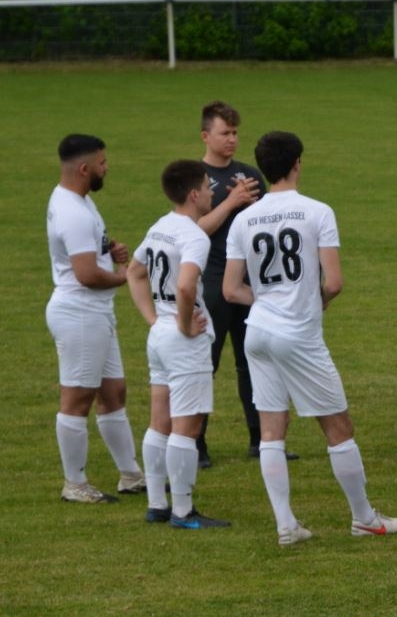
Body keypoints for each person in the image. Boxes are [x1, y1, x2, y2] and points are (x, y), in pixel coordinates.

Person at [223, 131, 397, 546]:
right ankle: (364, 518)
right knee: (338, 425)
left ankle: (286, 524)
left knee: (271, 428)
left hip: (257, 332)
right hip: (297, 334)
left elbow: (231, 289)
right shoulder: (317, 211)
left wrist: (267, 301)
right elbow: (335, 282)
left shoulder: (243, 219)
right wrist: (312, 300)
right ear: (297, 164)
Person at [126, 160, 230, 529]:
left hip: (159, 337)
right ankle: (183, 511)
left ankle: (157, 504)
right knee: (186, 426)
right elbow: (186, 286)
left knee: (159, 422)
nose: (212, 192)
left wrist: (154, 319)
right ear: (194, 194)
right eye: (207, 186)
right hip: (184, 342)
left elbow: (134, 272)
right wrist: (185, 325)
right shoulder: (194, 236)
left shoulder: (160, 226)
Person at [195, 100, 298, 467]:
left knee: (252, 360)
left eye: (235, 132)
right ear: (205, 136)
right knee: (204, 363)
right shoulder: (196, 177)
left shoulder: (250, 173)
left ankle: (261, 439)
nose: (232, 139)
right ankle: (196, 445)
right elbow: (192, 230)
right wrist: (231, 202)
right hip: (211, 280)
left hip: (249, 281)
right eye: (225, 133)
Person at [46, 134, 145, 504]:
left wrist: (108, 249)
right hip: (80, 313)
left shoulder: (78, 200)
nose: (108, 168)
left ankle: (131, 475)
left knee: (113, 393)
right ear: (85, 168)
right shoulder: (72, 211)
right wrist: (124, 276)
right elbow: (86, 274)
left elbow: (86, 252)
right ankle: (74, 484)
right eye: (102, 163)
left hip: (94, 313)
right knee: (77, 398)